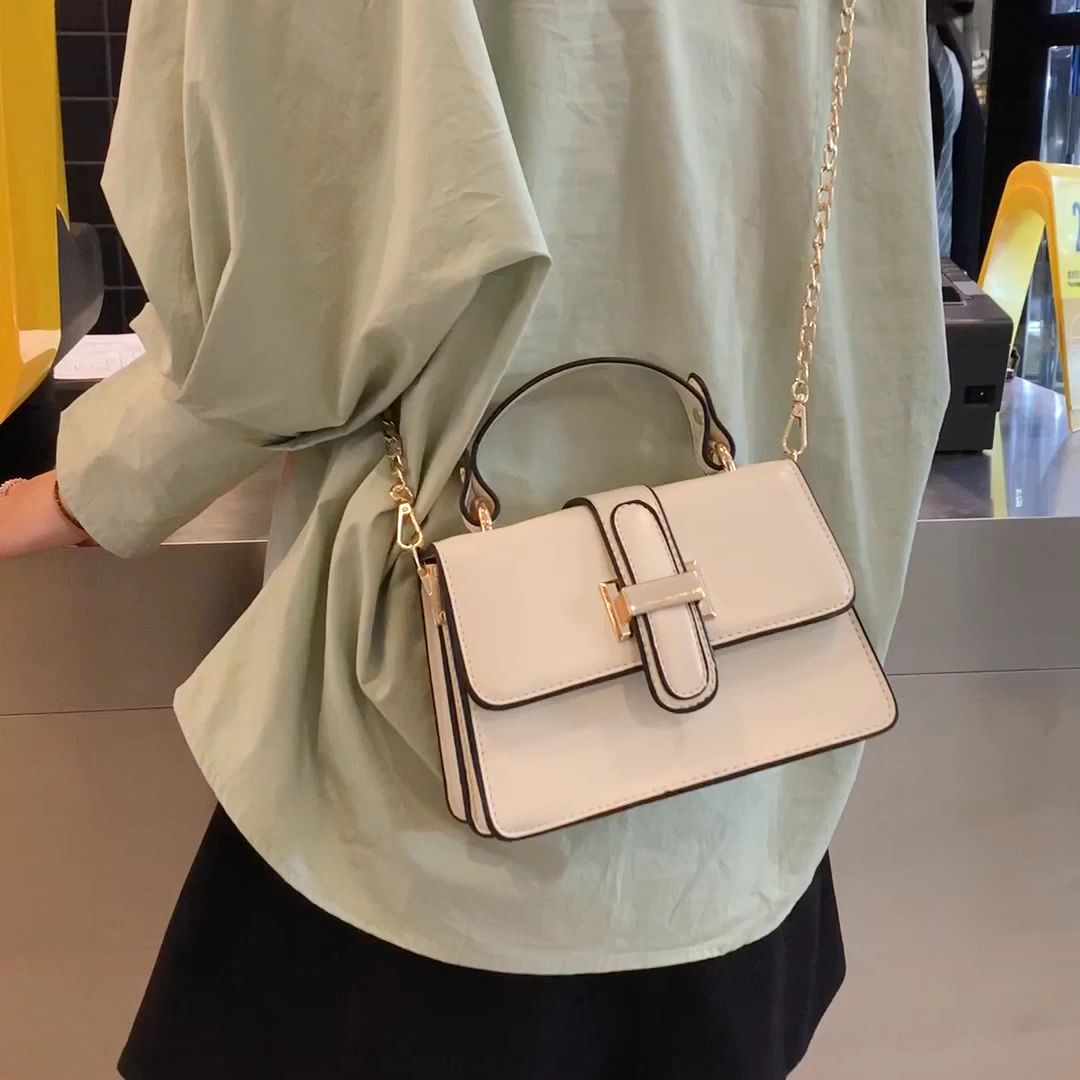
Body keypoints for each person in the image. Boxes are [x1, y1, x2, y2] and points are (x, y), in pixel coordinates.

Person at [0, 2, 947, 1077]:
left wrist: (101, 481)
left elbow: (299, 294)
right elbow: (886, 327)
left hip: (429, 832)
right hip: (744, 776)